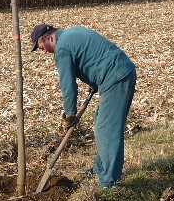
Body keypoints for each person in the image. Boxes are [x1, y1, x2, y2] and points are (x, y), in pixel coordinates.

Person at [31, 23, 136, 190]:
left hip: (115, 77)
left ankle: (108, 182)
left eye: (42, 47)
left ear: (49, 37)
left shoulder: (62, 49)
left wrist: (70, 115)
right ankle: (100, 168)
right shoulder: (71, 32)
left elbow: (68, 86)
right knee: (101, 120)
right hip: (119, 72)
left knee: (107, 129)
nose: (44, 52)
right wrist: (94, 78)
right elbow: (93, 54)